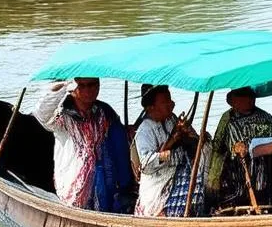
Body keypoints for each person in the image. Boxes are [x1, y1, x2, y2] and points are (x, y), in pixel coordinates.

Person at [33, 77, 133, 212]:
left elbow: (119, 143)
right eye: (82, 86)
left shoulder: (104, 111)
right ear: (73, 88)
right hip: (74, 183)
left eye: (92, 85)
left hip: (103, 178)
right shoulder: (63, 115)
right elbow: (42, 115)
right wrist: (62, 87)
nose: (88, 90)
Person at [133, 85, 208, 218]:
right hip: (159, 184)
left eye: (170, 100)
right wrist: (172, 142)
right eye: (165, 101)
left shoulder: (171, 119)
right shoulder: (145, 130)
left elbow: (194, 141)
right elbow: (146, 164)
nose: (171, 104)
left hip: (177, 174)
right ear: (151, 107)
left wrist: (189, 135)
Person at [206, 87, 272, 209]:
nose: (250, 101)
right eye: (245, 98)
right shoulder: (228, 119)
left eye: (250, 98)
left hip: (263, 166)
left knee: (262, 188)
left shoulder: (265, 117)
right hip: (236, 168)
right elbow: (217, 146)